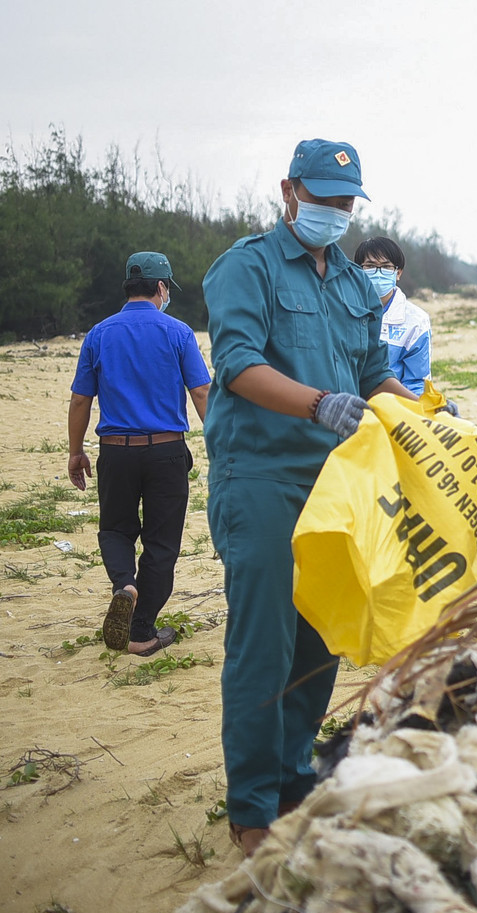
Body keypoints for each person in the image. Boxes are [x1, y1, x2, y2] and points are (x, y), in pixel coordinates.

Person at [203, 139, 418, 856]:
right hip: (261, 476)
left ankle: (296, 776)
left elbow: (376, 372)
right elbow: (237, 364)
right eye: (321, 198)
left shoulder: (358, 285)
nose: (333, 212)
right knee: (263, 641)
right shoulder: (248, 267)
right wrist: (318, 404)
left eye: (344, 202)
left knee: (319, 637)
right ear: (290, 189)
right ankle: (253, 804)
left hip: (336, 484)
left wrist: (420, 414)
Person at [67, 251, 210, 656]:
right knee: (162, 544)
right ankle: (142, 629)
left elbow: (80, 401)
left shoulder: (98, 334)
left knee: (115, 530)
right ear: (162, 288)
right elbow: (201, 393)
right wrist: (222, 443)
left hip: (115, 453)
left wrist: (76, 452)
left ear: (129, 287)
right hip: (166, 452)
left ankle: (123, 586)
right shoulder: (179, 332)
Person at [353, 237, 433, 395]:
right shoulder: (342, 310)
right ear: (358, 270)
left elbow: (417, 382)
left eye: (386, 267)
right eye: (370, 266)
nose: (378, 273)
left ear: (398, 272)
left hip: (393, 406)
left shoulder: (416, 321)